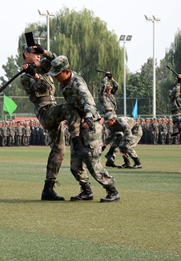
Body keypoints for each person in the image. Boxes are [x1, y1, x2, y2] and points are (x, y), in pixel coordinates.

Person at [49, 55, 120, 202]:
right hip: (78, 125)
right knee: (75, 166)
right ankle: (86, 191)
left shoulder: (77, 83)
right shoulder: (64, 83)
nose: (55, 77)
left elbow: (88, 101)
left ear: (67, 71)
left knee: (92, 162)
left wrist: (88, 117)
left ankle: (112, 191)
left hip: (91, 125)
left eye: (58, 73)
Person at [20, 43, 80, 201]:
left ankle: (48, 189)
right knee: (69, 107)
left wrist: (44, 52)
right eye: (34, 53)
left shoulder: (42, 67)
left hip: (54, 111)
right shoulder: (25, 76)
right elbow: (45, 87)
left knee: (59, 150)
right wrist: (34, 75)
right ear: (26, 54)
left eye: (38, 53)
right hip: (45, 112)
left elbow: (58, 61)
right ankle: (77, 140)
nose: (37, 55)